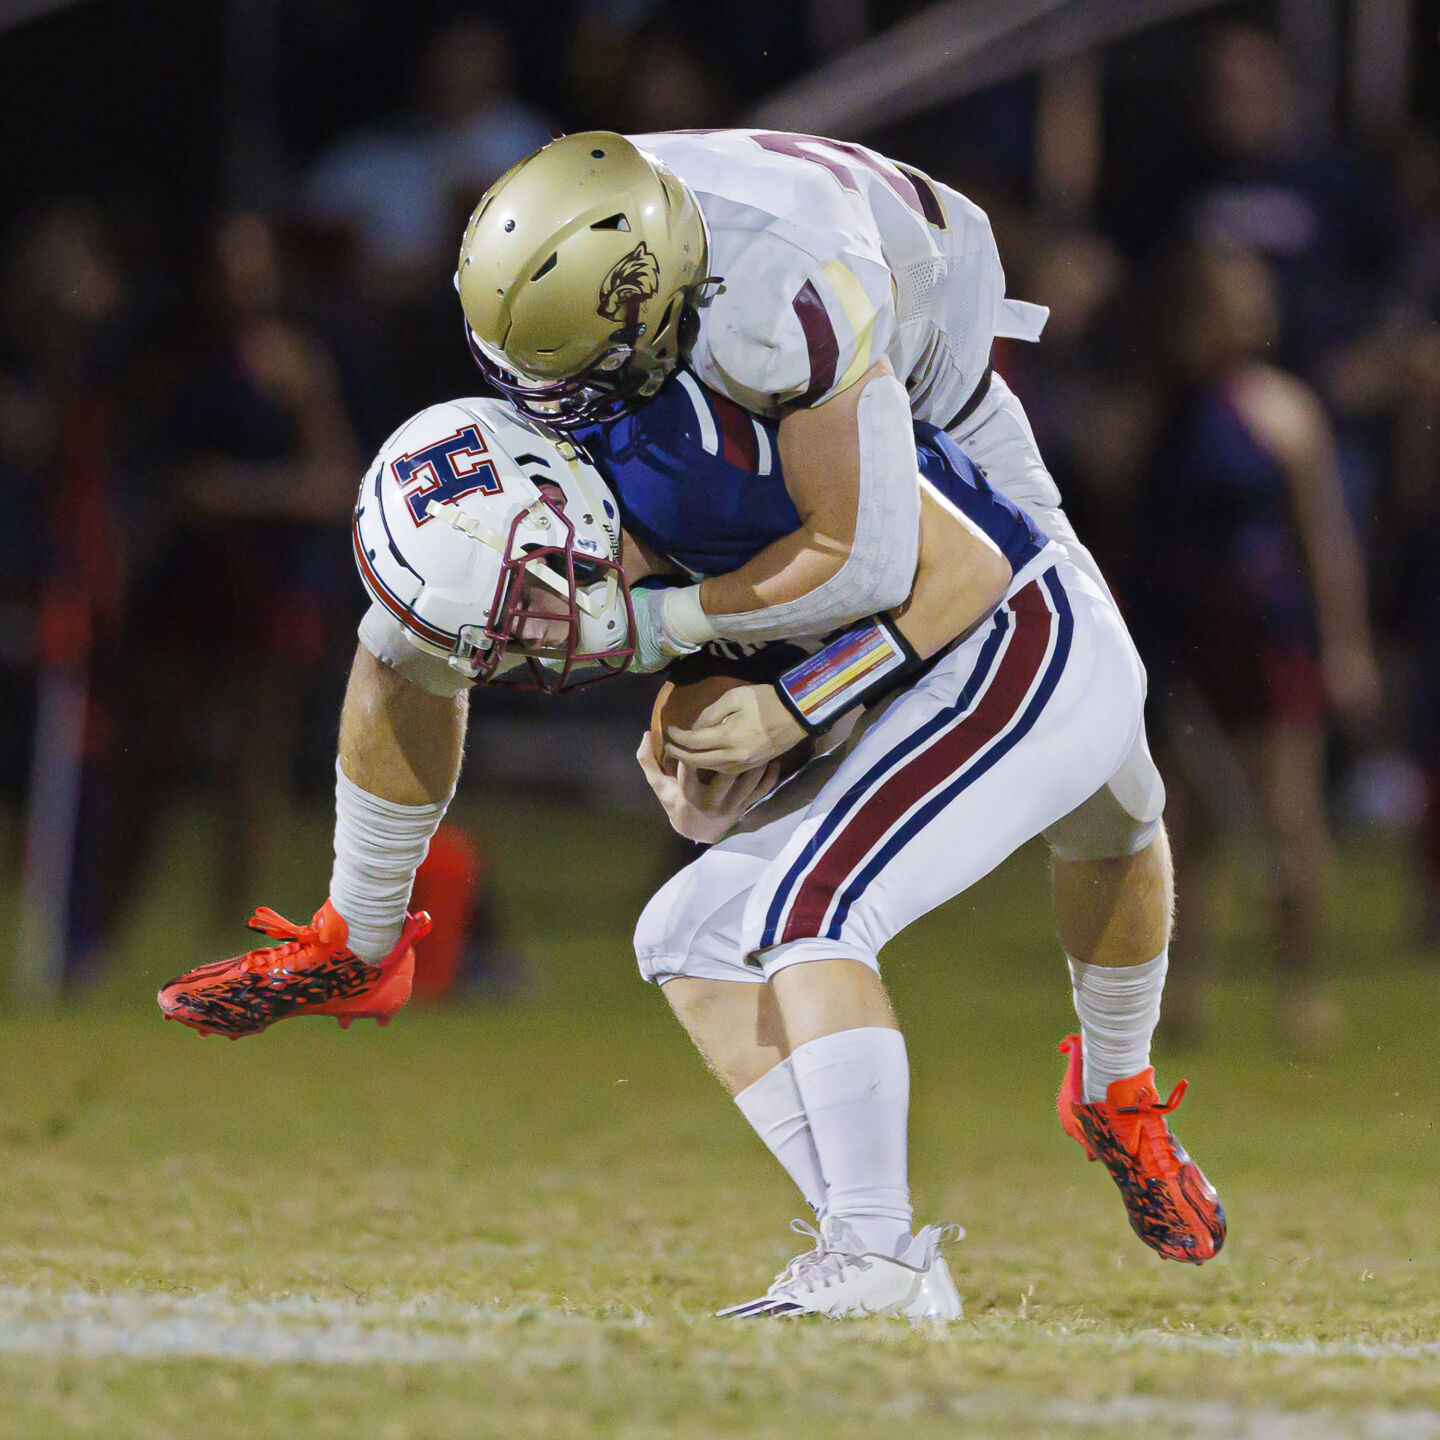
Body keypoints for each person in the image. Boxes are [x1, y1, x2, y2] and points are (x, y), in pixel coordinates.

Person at [157, 379, 1224, 1316]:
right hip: (967, 659)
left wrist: (794, 704)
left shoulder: (708, 447)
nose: (527, 638)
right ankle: (912, 1234)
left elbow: (960, 567)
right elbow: (752, 651)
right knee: (689, 931)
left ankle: (876, 1252)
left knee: (814, 913)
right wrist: (712, 747)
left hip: (1024, 623)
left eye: (518, 599)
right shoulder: (622, 518)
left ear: (549, 492)